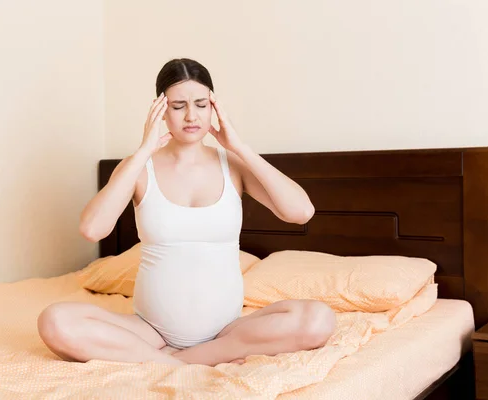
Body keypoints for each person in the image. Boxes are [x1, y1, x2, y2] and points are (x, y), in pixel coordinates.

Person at [37, 58, 336, 367]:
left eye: (201, 104)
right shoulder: (139, 167)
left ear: (214, 107)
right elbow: (92, 229)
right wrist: (143, 151)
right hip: (150, 331)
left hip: (227, 333)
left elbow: (301, 212)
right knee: (55, 321)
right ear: (160, 110)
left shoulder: (233, 165)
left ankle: (179, 360)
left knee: (318, 320)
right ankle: (173, 363)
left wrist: (240, 147)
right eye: (178, 106)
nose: (191, 116)